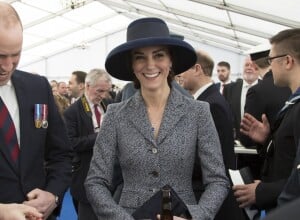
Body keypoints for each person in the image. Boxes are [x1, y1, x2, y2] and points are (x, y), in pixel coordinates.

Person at [85, 17, 229, 219]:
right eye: (140, 57)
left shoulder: (198, 112)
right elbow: (95, 181)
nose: (150, 65)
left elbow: (218, 181)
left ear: (171, 61)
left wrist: (195, 217)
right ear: (132, 65)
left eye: (159, 55)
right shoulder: (115, 115)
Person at [0, 2, 72, 219]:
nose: (8, 66)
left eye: (16, 55)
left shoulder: (38, 88)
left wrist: (53, 194)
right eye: (0, 56)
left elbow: (61, 153)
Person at [233, 28, 300, 214]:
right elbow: (290, 155)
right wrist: (268, 139)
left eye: (271, 60)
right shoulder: (294, 103)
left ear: (287, 61)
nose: (269, 66)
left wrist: (262, 192)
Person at [180, 49, 244, 220]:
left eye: (184, 69)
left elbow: (211, 159)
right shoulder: (208, 100)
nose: (180, 74)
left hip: (209, 198)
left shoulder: (210, 105)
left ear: (197, 69)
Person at [64, 68, 114, 220]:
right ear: (87, 86)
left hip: (109, 173)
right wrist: (99, 137)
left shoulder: (109, 104)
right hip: (85, 173)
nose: (103, 95)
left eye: (107, 91)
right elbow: (71, 143)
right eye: (100, 91)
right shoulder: (72, 112)